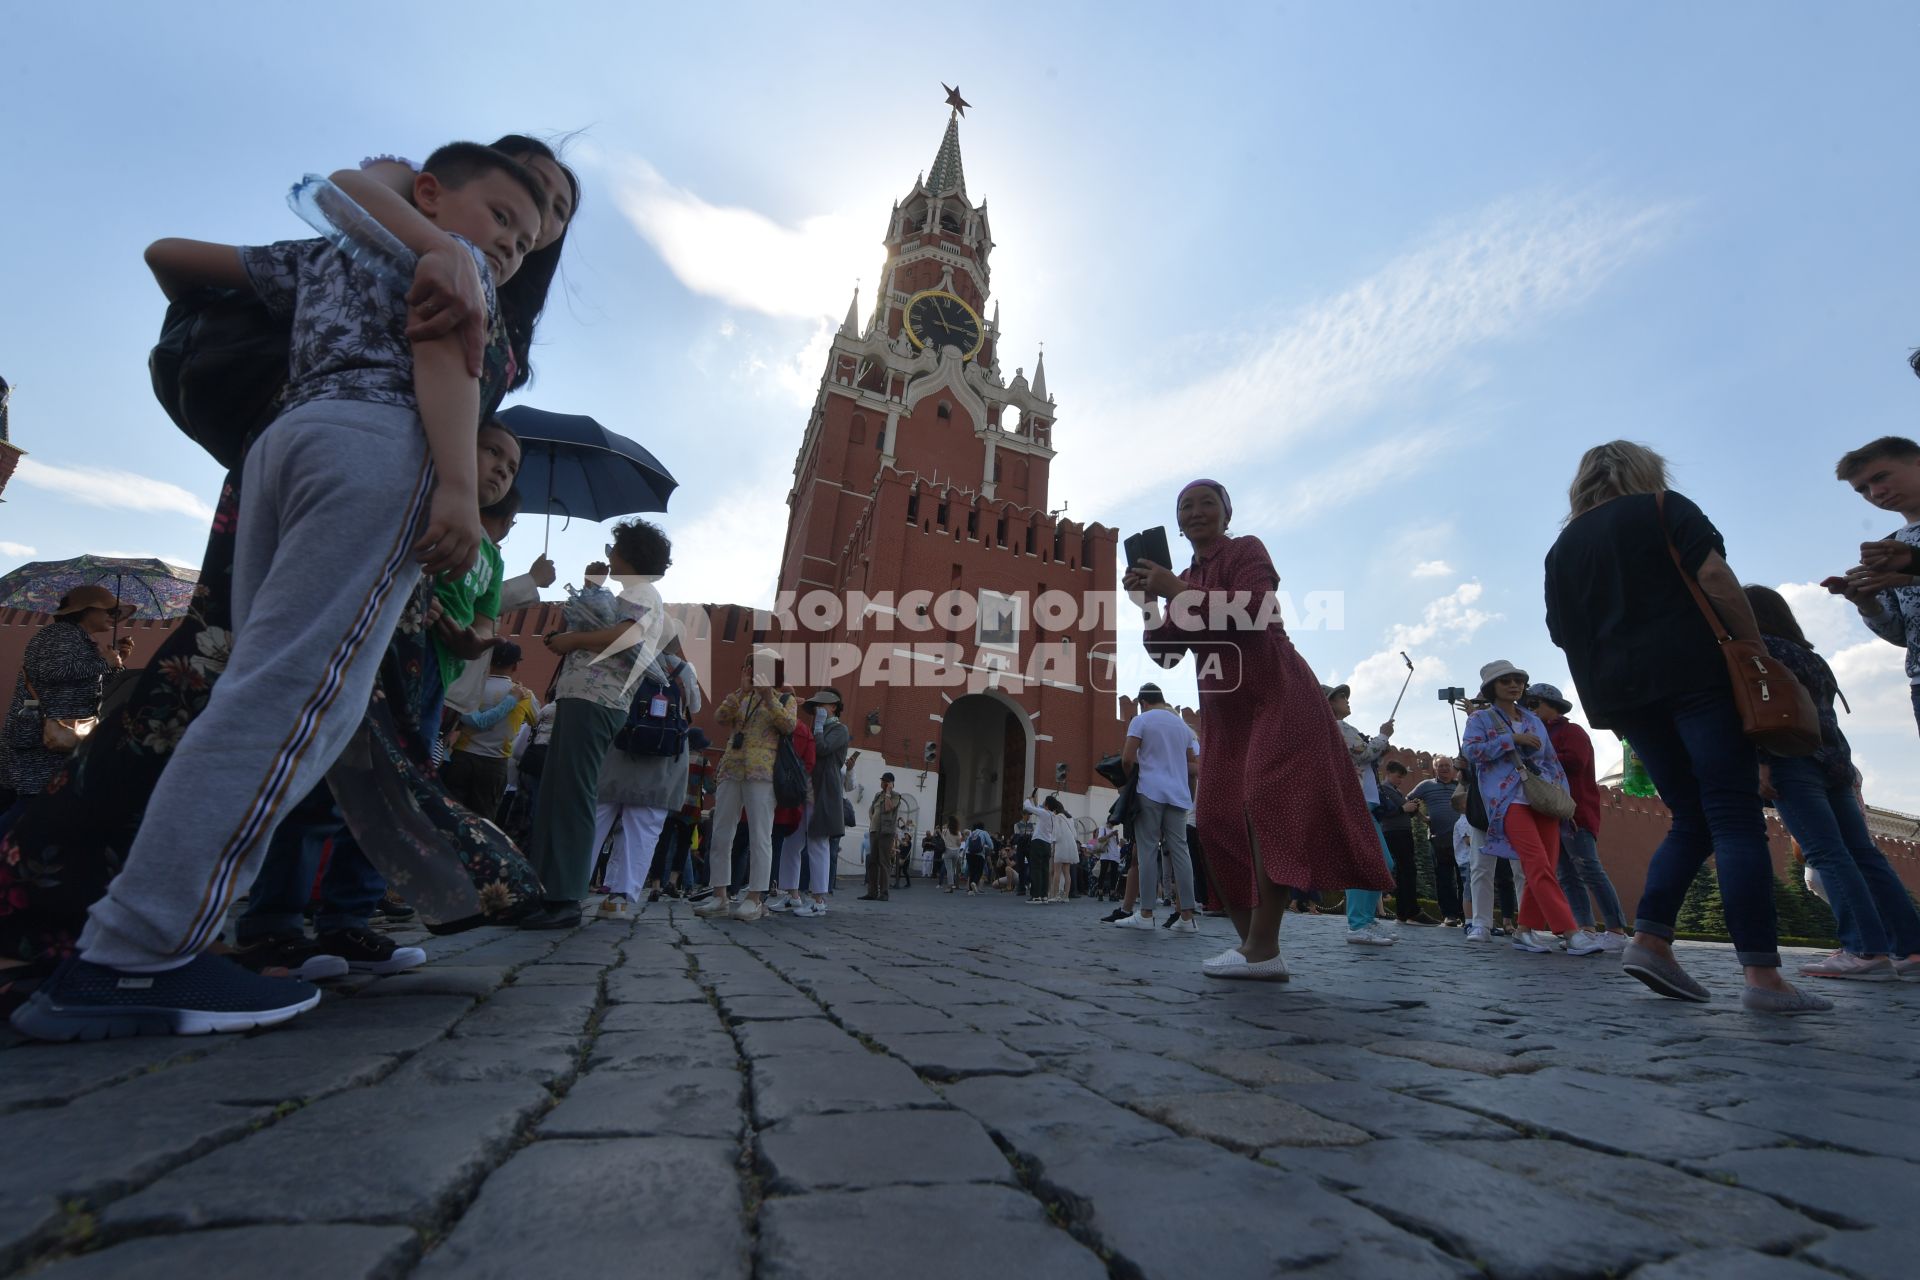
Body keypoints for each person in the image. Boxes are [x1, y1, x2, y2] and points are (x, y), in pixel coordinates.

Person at [10, 143, 546, 1042]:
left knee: (254, 692)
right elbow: (443, 363)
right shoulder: (451, 268)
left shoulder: (338, 252)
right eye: (502, 218)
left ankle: (156, 935)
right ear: (428, 192)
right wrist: (457, 484)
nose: (511, 248)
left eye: (526, 242)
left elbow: (172, 258)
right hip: (377, 449)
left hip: (285, 445)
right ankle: (138, 952)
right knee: (297, 703)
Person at [1545, 440, 1829, 1013]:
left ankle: (1650, 940)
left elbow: (1560, 631)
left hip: (1623, 697)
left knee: (1694, 817)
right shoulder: (1662, 507)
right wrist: (1754, 650)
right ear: (1647, 471)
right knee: (1734, 814)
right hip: (1696, 677)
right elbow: (1717, 579)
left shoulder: (1562, 548)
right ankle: (1763, 978)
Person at [1127, 480, 1392, 981]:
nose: (1197, 510)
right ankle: (1255, 946)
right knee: (1215, 818)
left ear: (1227, 515)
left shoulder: (1246, 550)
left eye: (1208, 502)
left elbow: (1253, 610)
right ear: (1178, 523)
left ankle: (1262, 945)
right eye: (1186, 505)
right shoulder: (1183, 574)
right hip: (1227, 713)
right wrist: (1147, 601)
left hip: (1277, 695)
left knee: (1264, 798)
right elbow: (1165, 655)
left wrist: (1175, 591)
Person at [1745, 586, 1920, 980]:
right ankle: (1910, 952)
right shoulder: (1812, 656)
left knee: (1826, 854)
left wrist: (1761, 761)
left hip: (1792, 758)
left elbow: (1764, 711)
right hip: (1835, 760)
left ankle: (1863, 950)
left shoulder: (1758, 653)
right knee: (1864, 854)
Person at [524, 520, 676, 930]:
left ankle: (565, 897)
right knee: (557, 794)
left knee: (572, 796)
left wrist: (571, 641)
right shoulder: (629, 593)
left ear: (629, 553)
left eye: (615, 548)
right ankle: (544, 890)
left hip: (599, 698)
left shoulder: (644, 592)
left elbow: (626, 638)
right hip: (582, 697)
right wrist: (592, 588)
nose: (610, 554)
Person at [1462, 661, 1606, 958]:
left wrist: (1565, 806)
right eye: (1506, 681)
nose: (1514, 685)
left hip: (1540, 798)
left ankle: (1524, 930)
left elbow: (1552, 763)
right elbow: (1472, 752)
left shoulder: (1531, 719)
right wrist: (1510, 740)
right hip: (1508, 801)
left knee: (1544, 867)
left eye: (1518, 680)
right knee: (1536, 864)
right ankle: (1571, 932)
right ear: (1493, 688)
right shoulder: (1481, 719)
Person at [588, 648, 701, 920]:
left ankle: (568, 887)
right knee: (644, 828)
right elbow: (694, 708)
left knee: (594, 821)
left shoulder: (625, 659)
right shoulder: (684, 669)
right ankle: (620, 899)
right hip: (662, 761)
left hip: (620, 750)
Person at [695, 650, 799, 921]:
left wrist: (767, 697)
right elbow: (720, 716)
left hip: (762, 773)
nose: (755, 671)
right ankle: (719, 895)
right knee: (721, 833)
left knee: (760, 835)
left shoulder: (785, 699)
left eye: (762, 667)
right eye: (752, 666)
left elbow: (788, 726)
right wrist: (741, 692)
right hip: (732, 769)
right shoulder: (741, 697)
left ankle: (755, 897)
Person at [1, 586, 132, 799]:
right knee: (32, 804)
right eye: (109, 611)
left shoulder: (79, 639)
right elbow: (52, 671)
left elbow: (87, 684)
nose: (113, 617)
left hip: (58, 735)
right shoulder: (61, 635)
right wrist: (103, 663)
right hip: (41, 738)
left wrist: (116, 663)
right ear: (85, 610)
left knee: (40, 803)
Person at [1829, 436, 1920, 739]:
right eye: (1862, 490)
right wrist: (1867, 604)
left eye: (1880, 477)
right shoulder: (1887, 548)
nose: (1875, 493)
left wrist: (1910, 572)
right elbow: (1901, 635)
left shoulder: (1893, 553)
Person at [1524, 682, 1628, 948]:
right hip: (1551, 813)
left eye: (1534, 704)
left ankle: (1616, 930)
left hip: (1576, 812)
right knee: (1566, 874)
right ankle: (1585, 928)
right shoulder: (1538, 733)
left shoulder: (1571, 731)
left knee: (1589, 869)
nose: (1531, 710)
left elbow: (1575, 761)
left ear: (1552, 706)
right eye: (1529, 706)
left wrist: (1538, 754)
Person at [1113, 682, 1200, 933]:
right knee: (1181, 852)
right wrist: (1188, 796)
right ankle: (1187, 917)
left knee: (1148, 851)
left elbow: (1127, 758)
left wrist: (1130, 781)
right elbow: (1190, 766)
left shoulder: (1142, 720)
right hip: (1178, 795)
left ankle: (1146, 914)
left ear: (1142, 702)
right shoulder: (1182, 727)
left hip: (1149, 791)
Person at [1326, 683, 1399, 947]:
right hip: (1354, 803)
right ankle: (1358, 924)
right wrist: (1383, 735)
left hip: (1362, 803)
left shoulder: (1341, 729)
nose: (1346, 701)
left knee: (1382, 862)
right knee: (1367, 861)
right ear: (1327, 703)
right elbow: (1364, 752)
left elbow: (1362, 759)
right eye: (1340, 697)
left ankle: (1366, 920)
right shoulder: (1337, 727)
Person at [442, 641, 538, 823]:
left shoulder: (471, 688)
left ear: (488, 660)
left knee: (450, 812)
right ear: (516, 665)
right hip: (495, 764)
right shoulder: (525, 695)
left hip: (462, 757)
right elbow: (536, 721)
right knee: (484, 819)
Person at [772, 689, 848, 917]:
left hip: (823, 792)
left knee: (818, 843)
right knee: (792, 842)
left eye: (821, 706)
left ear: (834, 706)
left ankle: (819, 900)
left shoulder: (840, 730)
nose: (817, 712)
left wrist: (818, 727)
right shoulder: (814, 729)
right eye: (815, 708)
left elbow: (822, 748)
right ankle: (792, 895)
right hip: (804, 790)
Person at [1406, 757, 1465, 925]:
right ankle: (1449, 914)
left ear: (1453, 768)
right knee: (1444, 877)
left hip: (1463, 838)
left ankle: (1466, 914)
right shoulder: (1426, 785)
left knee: (1464, 877)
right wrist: (1422, 818)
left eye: (1447, 765)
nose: (1444, 768)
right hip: (1439, 837)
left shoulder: (1460, 785)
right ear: (1435, 769)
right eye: (1440, 766)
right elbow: (1408, 800)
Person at [1377, 761, 1432, 925]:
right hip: (1395, 833)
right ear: (1388, 773)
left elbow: (1403, 810)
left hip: (1402, 831)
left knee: (1405, 871)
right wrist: (1404, 808)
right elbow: (1385, 811)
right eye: (1398, 777)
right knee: (1407, 870)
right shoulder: (1384, 789)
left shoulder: (1395, 791)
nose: (1400, 780)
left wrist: (1410, 808)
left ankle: (1404, 911)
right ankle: (1411, 911)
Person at [1022, 792, 1073, 903]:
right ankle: (1044, 895)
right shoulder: (1053, 816)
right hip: (1047, 844)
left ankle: (1036, 896)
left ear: (1047, 804)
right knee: (1045, 870)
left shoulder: (1044, 813)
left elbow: (1028, 808)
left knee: (1036, 869)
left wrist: (1027, 799)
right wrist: (1033, 801)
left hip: (1038, 842)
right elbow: (1036, 808)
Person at [863, 773, 905, 900]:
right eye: (882, 781)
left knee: (884, 862)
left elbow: (888, 808)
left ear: (889, 783)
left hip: (886, 832)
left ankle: (884, 893)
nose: (881, 783)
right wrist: (872, 819)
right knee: (872, 861)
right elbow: (871, 809)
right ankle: (872, 892)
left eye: (884, 781)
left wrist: (888, 792)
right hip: (874, 831)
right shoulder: (877, 795)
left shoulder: (895, 796)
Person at [938, 816, 967, 895]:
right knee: (953, 869)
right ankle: (952, 885)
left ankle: (949, 886)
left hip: (948, 851)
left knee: (949, 870)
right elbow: (959, 843)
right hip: (956, 852)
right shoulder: (958, 832)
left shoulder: (945, 830)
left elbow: (943, 839)